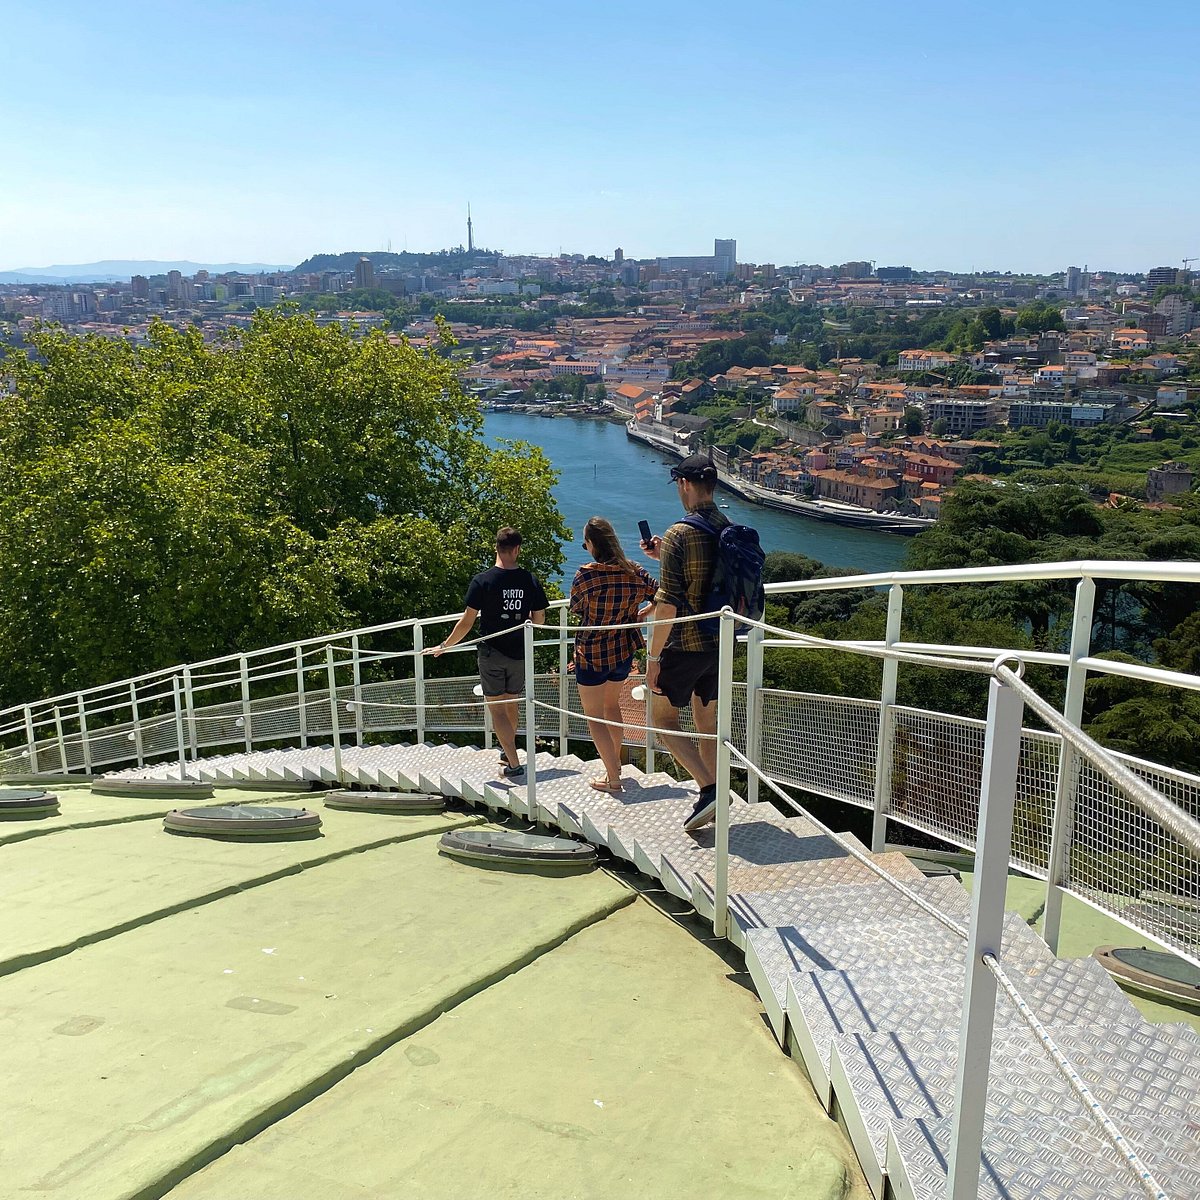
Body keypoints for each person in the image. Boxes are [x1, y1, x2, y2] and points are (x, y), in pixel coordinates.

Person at [640, 454, 729, 830]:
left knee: (663, 720)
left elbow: (668, 604)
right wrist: (663, 558)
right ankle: (712, 799)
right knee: (706, 723)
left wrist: (653, 656)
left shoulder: (680, 533)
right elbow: (708, 578)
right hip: (720, 643)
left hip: (685, 644)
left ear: (684, 484)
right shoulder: (726, 526)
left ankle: (709, 790)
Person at [432, 527, 548, 777]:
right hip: (519, 652)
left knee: (496, 708)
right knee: (511, 702)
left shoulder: (482, 580)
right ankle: (508, 752)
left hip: (491, 653)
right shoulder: (529, 580)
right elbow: (539, 621)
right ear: (517, 549)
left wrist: (444, 646)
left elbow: (466, 622)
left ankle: (514, 763)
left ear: (496, 547)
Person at [569, 516, 657, 793]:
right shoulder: (635, 570)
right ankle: (613, 768)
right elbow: (664, 595)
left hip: (592, 651)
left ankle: (614, 779)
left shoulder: (587, 574)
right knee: (611, 707)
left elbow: (575, 606)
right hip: (622, 651)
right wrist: (644, 612)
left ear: (593, 544)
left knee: (594, 715)